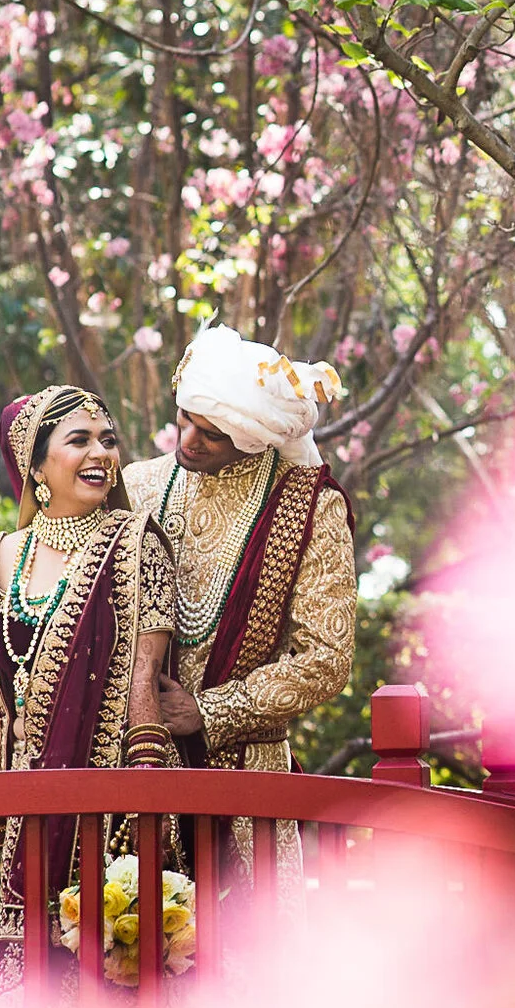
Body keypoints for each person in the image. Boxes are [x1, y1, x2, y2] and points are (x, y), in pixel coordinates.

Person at [0, 385, 179, 976]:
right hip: (24, 813)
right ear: (35, 465)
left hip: (110, 814)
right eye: (79, 440)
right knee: (23, 986)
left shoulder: (136, 546)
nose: (101, 454)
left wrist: (144, 815)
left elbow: (143, 690)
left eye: (108, 440)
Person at [123, 327, 355, 776]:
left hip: (247, 777)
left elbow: (326, 657)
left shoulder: (309, 506)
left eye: (211, 434)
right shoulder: (139, 484)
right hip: (135, 764)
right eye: (185, 419)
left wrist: (209, 711)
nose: (188, 440)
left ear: (253, 439)